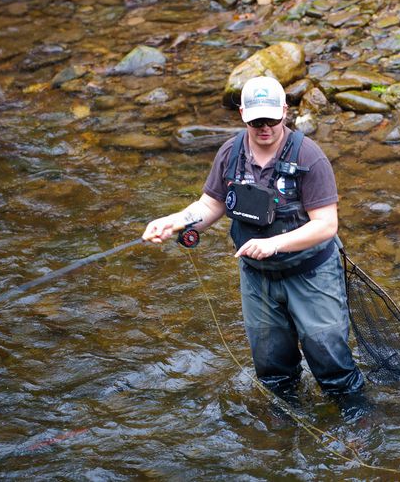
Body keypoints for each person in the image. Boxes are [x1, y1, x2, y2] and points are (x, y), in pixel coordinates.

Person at [143, 76, 365, 406]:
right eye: (256, 121)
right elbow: (210, 205)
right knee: (271, 365)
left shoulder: (309, 157)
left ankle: (357, 418)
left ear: (285, 113)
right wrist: (174, 222)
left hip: (311, 274)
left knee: (329, 358)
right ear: (242, 113)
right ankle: (281, 423)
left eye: (272, 120)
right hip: (257, 277)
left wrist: (276, 244)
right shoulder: (230, 153)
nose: (265, 128)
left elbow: (326, 225)